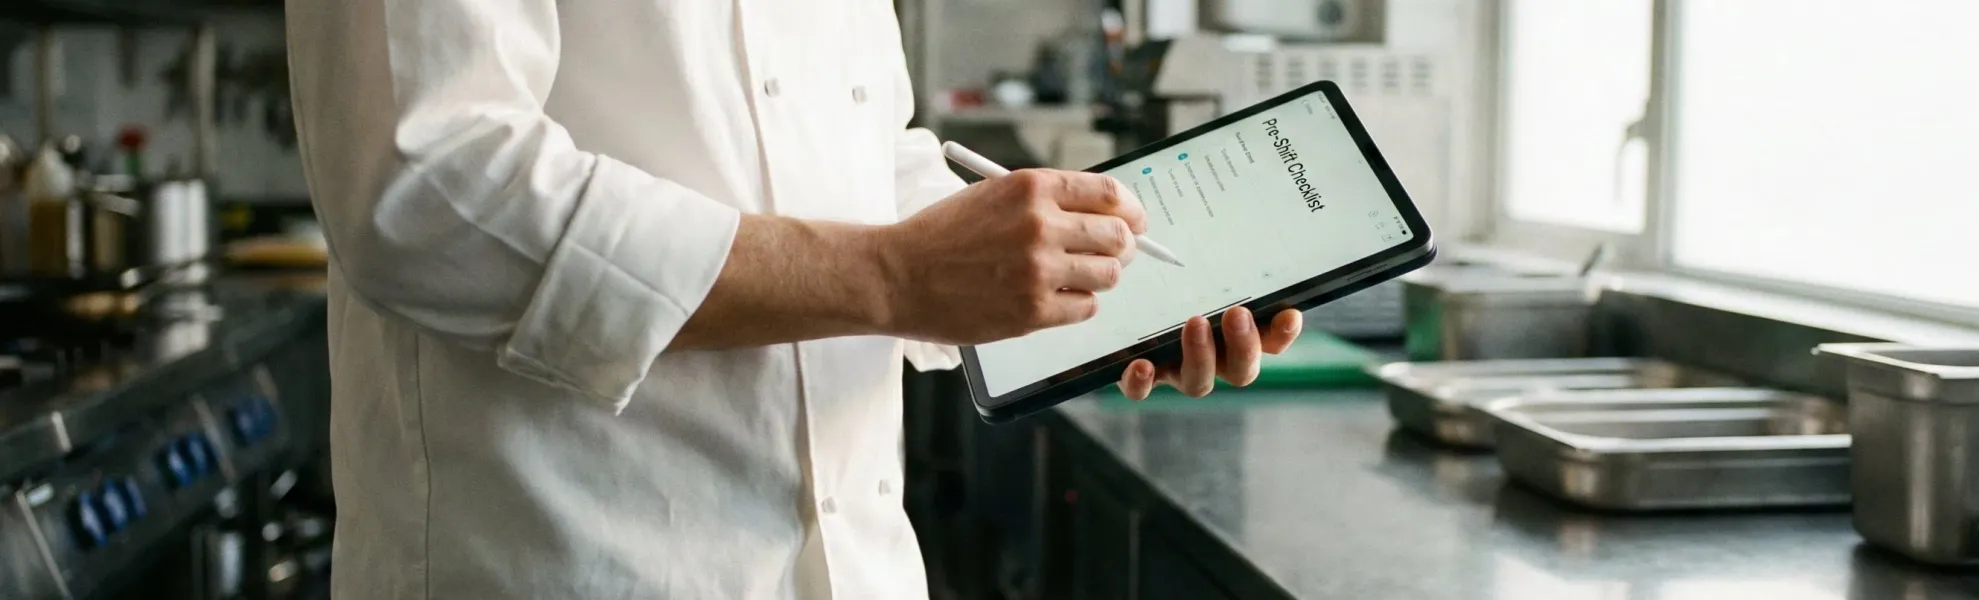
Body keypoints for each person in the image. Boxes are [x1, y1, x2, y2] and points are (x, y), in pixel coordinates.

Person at [284, 1, 1304, 598]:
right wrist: (895, 276)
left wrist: (1091, 274)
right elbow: (428, 189)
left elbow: (859, 166)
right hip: (572, 564)